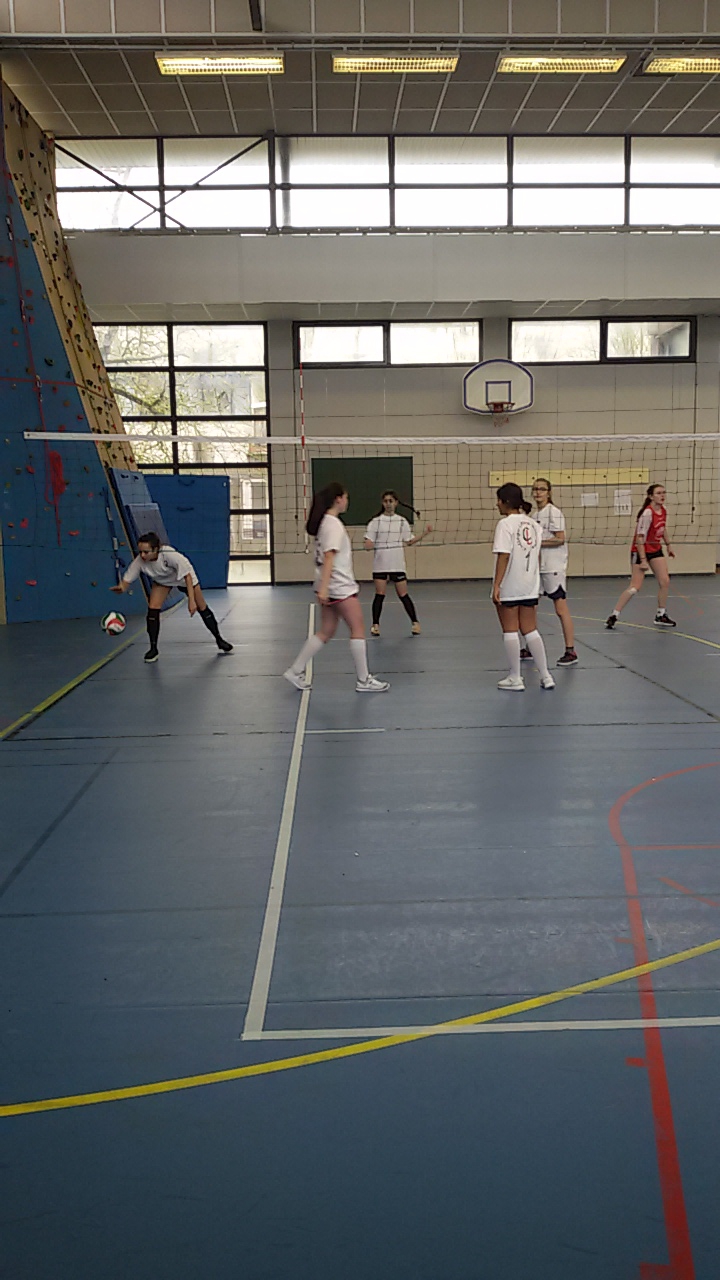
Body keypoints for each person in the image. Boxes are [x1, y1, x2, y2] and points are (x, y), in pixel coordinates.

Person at [284, 482, 390, 693]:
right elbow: (329, 556)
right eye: (346, 497)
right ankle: (363, 680)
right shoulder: (332, 524)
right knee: (358, 629)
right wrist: (325, 588)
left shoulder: (326, 523)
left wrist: (322, 587)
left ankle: (295, 670)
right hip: (339, 587)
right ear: (338, 499)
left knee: (326, 630)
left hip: (330, 586)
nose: (347, 501)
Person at [111, 531, 233, 663]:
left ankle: (219, 639)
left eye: (146, 552)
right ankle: (153, 649)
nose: (142, 555)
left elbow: (187, 577)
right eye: (140, 551)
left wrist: (191, 602)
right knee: (153, 609)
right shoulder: (140, 560)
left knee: (201, 606)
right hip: (163, 581)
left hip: (184, 578)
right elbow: (128, 579)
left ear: (156, 549)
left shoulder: (170, 556)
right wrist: (121, 588)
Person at [492, 482, 555, 692]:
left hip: (511, 583)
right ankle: (546, 676)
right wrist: (534, 581)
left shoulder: (505, 525)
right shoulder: (533, 524)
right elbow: (537, 555)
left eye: (498, 500)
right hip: (530, 584)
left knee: (510, 630)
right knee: (530, 629)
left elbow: (504, 555)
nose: (497, 504)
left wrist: (497, 585)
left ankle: (515, 677)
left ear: (505, 501)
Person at [520, 478, 578, 667]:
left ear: (549, 492)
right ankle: (530, 646)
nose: (538, 492)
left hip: (553, 567)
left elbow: (560, 539)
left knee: (560, 609)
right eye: (535, 489)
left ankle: (570, 650)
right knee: (531, 607)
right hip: (538, 568)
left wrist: (538, 543)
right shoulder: (535, 515)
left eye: (542, 489)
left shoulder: (554, 513)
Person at [606, 483, 676, 629]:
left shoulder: (663, 510)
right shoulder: (647, 513)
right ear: (651, 496)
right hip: (640, 550)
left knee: (665, 581)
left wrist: (668, 545)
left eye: (664, 493)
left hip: (655, 549)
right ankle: (614, 614)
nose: (662, 496)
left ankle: (660, 614)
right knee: (635, 587)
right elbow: (639, 538)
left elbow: (662, 529)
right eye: (658, 493)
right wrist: (643, 560)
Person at [364, 491, 432, 636]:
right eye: (386, 501)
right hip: (381, 564)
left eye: (391, 501)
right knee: (379, 594)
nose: (388, 504)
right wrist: (368, 544)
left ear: (396, 503)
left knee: (403, 594)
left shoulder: (401, 521)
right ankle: (375, 625)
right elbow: (368, 541)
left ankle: (415, 623)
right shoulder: (375, 522)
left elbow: (409, 541)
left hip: (397, 564)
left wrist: (425, 533)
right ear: (382, 503)